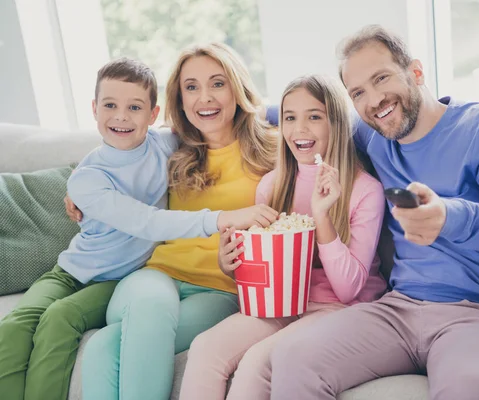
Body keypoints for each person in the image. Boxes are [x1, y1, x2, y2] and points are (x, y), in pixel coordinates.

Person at [268, 25, 479, 400]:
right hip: (398, 310)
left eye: (381, 78)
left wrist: (448, 214)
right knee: (292, 357)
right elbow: (306, 114)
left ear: (416, 72)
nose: (375, 100)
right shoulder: (372, 136)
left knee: (466, 386)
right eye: (358, 93)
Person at [0, 57, 264, 400]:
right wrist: (223, 217)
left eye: (134, 107)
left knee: (75, 327)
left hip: (162, 279)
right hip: (94, 271)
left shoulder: (167, 144)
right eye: (110, 105)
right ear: (94, 109)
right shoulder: (92, 177)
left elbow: (273, 113)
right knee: (17, 325)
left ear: (153, 115)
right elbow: (146, 221)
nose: (122, 116)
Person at [77, 43, 280, 400]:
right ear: (180, 100)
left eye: (218, 83)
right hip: (154, 277)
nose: (205, 97)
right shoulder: (172, 148)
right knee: (151, 307)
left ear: (237, 87)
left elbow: (305, 111)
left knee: (102, 347)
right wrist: (74, 190)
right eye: (191, 87)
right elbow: (115, 158)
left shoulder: (275, 150)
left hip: (220, 290)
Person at [178, 74, 387, 400]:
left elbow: (348, 289)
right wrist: (232, 264)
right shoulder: (272, 186)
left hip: (341, 310)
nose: (299, 129)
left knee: (257, 362)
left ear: (336, 123)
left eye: (314, 117)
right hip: (283, 303)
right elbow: (266, 274)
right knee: (205, 347)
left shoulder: (365, 191)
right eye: (290, 117)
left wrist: (321, 216)